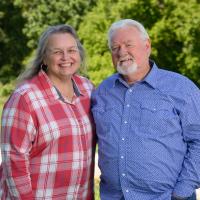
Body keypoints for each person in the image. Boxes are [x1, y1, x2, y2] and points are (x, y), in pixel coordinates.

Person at [92, 19, 200, 200]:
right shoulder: (102, 92)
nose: (121, 52)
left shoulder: (181, 89)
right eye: (115, 47)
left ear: (147, 45)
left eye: (128, 44)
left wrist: (182, 191)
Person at [0, 24, 95, 199]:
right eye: (57, 52)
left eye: (71, 50)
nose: (66, 57)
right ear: (44, 58)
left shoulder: (88, 89)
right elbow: (14, 161)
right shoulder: (25, 98)